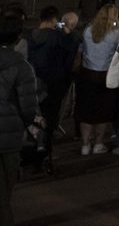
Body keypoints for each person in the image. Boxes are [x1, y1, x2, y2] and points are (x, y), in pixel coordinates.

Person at [0, 14, 39, 226]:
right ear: (17, 39)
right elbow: (28, 107)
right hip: (10, 136)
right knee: (5, 191)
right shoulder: (22, 67)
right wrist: (27, 122)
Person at [26, 5, 75, 173]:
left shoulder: (31, 36)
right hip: (54, 84)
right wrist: (67, 31)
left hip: (34, 83)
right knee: (50, 118)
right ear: (54, 19)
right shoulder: (57, 37)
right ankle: (45, 153)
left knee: (35, 119)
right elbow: (71, 49)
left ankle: (34, 154)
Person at [76, 2, 119, 155]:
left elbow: (81, 49)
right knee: (103, 110)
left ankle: (85, 144)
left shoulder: (88, 30)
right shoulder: (115, 34)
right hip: (104, 75)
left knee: (86, 110)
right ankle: (98, 143)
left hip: (87, 73)